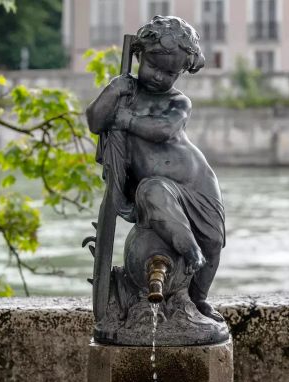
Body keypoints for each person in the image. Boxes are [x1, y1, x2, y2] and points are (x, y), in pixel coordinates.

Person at [85, 16, 225, 322]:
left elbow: (164, 129)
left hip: (196, 184)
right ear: (138, 56)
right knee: (152, 191)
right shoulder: (126, 93)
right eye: (153, 67)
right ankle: (191, 256)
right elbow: (95, 120)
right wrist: (113, 89)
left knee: (214, 242)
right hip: (156, 187)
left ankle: (198, 298)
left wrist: (126, 120)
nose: (160, 77)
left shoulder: (179, 101)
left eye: (170, 73)